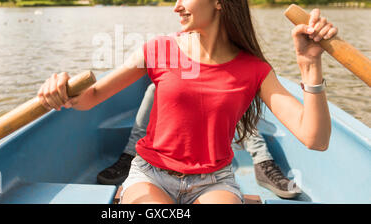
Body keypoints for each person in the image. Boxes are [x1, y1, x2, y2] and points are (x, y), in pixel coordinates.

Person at [37, 0, 337, 204]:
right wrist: (60, 86)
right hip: (150, 174)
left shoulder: (254, 69)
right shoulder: (158, 49)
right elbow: (90, 97)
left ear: (218, 0)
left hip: (214, 182)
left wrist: (310, 64)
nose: (175, 6)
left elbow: (316, 139)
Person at [97, 82, 300, 199]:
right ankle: (130, 154)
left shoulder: (239, 52)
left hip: (214, 171)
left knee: (234, 86)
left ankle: (262, 161)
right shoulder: (177, 43)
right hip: (155, 167)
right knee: (155, 88)